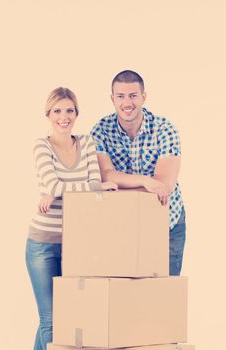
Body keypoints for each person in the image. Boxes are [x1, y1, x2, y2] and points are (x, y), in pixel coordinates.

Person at [25, 87, 116, 350]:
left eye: (69, 110)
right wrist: (84, 188)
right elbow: (58, 186)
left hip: (75, 244)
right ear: (48, 114)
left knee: (66, 317)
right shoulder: (41, 146)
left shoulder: (86, 142)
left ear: (76, 113)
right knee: (51, 321)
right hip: (43, 243)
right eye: (57, 111)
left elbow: (94, 181)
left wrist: (62, 190)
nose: (63, 117)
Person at [90, 70, 186, 276]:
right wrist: (144, 181)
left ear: (144, 97)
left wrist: (121, 182)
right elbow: (105, 176)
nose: (127, 102)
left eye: (133, 95)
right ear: (112, 99)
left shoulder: (165, 129)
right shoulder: (100, 130)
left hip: (166, 221)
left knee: (165, 293)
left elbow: (163, 186)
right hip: (122, 224)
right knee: (127, 296)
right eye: (121, 96)